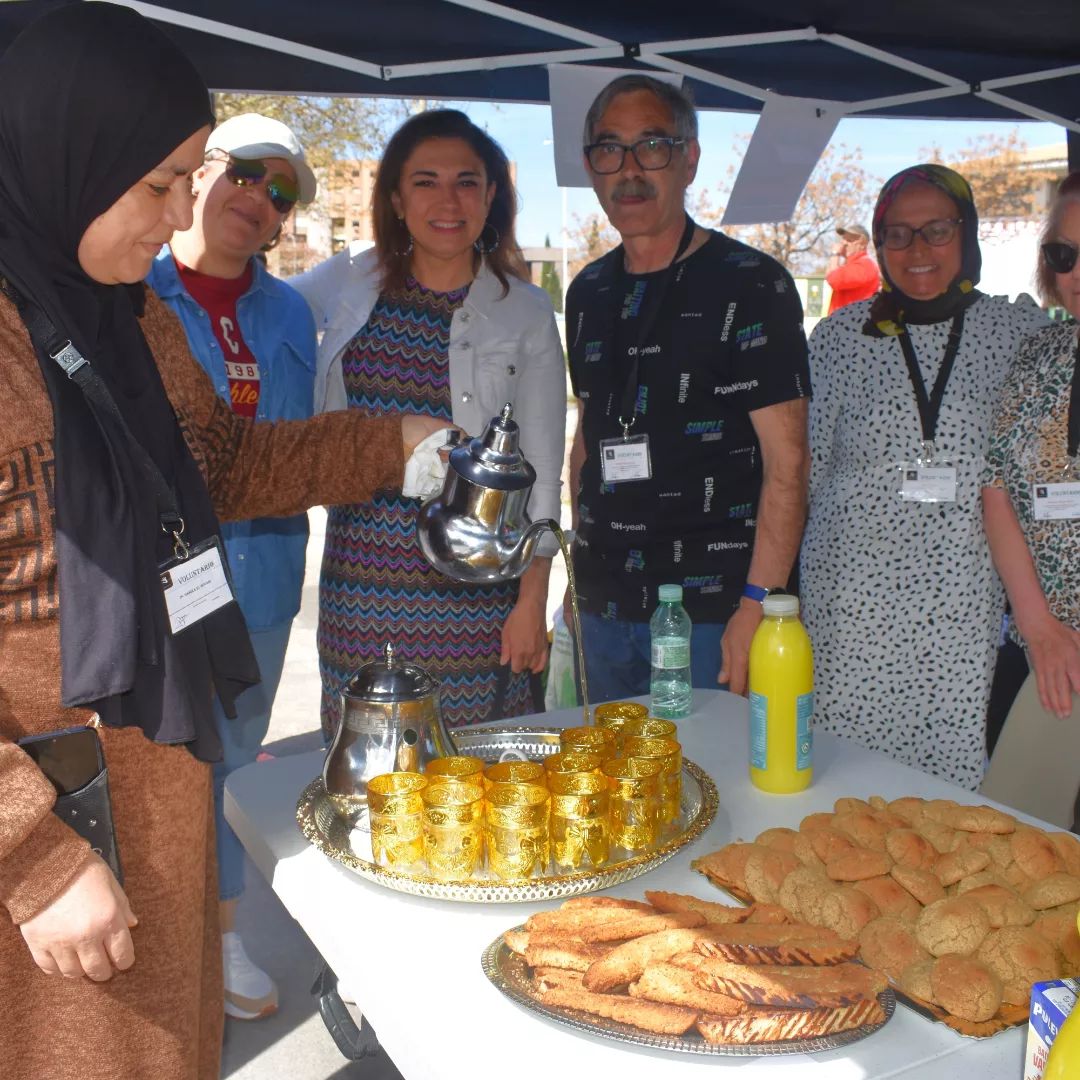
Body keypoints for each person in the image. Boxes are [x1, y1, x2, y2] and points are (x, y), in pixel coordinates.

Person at [0, 6, 445, 1077]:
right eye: (161, 183)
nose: (177, 215)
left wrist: (391, 444)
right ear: (71, 151)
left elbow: (223, 468)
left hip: (158, 801)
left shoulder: (129, 317)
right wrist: (30, 854)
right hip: (47, 857)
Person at [291, 109, 565, 736]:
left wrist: (532, 602)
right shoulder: (350, 284)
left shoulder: (525, 311)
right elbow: (256, 305)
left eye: (467, 182)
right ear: (395, 197)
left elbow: (544, 472)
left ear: (491, 197)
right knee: (369, 766)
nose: (449, 201)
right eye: (425, 182)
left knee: (476, 766)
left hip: (480, 597)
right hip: (361, 585)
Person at [147, 113, 318, 1020]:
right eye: (247, 172)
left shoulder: (291, 312)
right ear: (199, 171)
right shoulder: (127, 289)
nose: (259, 197)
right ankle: (159, 944)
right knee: (155, 767)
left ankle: (221, 937)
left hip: (261, 575)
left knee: (232, 762)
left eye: (280, 191)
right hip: (153, 581)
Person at [801, 164, 1048, 790]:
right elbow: (805, 471)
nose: (917, 250)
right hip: (849, 601)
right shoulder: (837, 339)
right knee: (844, 779)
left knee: (946, 780)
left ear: (967, 232)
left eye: (937, 230)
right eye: (898, 234)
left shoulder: (1020, 333)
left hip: (959, 603)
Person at [565, 74, 811, 700]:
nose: (629, 170)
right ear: (590, 166)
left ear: (689, 158)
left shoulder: (751, 283)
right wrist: (576, 573)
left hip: (712, 611)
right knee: (612, 763)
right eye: (609, 149)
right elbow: (587, 439)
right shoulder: (588, 291)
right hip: (603, 605)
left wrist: (758, 603)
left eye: (651, 146)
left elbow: (788, 462)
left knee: (712, 763)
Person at [980, 172, 1080, 828]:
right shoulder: (1040, 353)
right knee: (1020, 845)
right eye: (1064, 254)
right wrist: (1040, 627)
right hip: (1044, 652)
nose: (1076, 273)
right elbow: (997, 489)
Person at [825, 223, 880, 314]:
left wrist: (835, 254)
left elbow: (834, 280)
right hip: (844, 319)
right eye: (843, 239)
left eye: (849, 240)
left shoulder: (865, 265)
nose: (844, 243)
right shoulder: (850, 264)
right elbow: (829, 276)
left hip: (853, 320)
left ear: (862, 243)